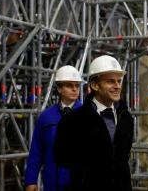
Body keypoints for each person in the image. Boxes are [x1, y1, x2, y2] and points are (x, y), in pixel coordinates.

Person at [54, 55, 134, 191]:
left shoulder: (126, 117)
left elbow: (124, 156)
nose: (117, 86)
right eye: (110, 82)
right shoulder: (73, 120)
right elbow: (62, 158)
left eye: (119, 81)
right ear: (95, 85)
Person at [25, 65, 82, 191]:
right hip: (52, 183)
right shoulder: (46, 117)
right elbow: (36, 150)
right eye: (69, 85)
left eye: (77, 86)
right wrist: (30, 180)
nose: (74, 89)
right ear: (59, 89)